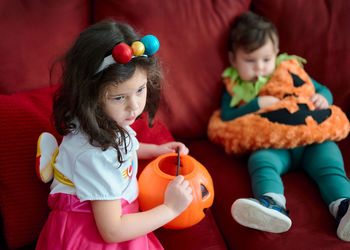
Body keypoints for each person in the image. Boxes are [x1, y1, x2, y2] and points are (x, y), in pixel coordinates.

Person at [36, 20, 193, 249]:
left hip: (113, 213)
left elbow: (125, 150)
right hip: (93, 231)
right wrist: (170, 208)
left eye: (140, 90)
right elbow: (112, 231)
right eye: (119, 97)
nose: (134, 106)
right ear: (90, 96)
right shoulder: (96, 154)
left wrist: (156, 150)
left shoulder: (104, 120)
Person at [221, 11, 350, 241]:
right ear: (233, 59)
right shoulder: (233, 86)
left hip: (310, 138)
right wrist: (256, 103)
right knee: (261, 161)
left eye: (266, 59)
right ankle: (272, 203)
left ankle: (343, 206)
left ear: (276, 54)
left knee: (330, 163)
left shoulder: (290, 72)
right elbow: (228, 117)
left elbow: (322, 90)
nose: (260, 68)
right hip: (273, 144)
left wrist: (323, 98)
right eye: (250, 61)